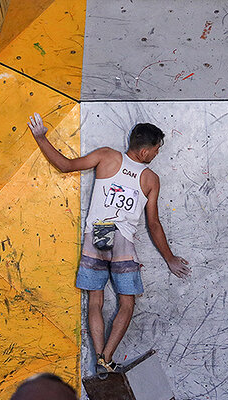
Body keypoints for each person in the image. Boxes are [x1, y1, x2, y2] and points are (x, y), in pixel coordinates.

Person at [28, 114, 190, 374]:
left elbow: (65, 165)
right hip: (122, 241)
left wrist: (40, 137)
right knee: (127, 304)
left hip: (96, 236)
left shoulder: (106, 156)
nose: (157, 155)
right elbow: (154, 224)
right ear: (146, 150)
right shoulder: (150, 179)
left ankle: (100, 357)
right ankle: (106, 357)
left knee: (95, 300)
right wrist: (169, 258)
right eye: (157, 150)